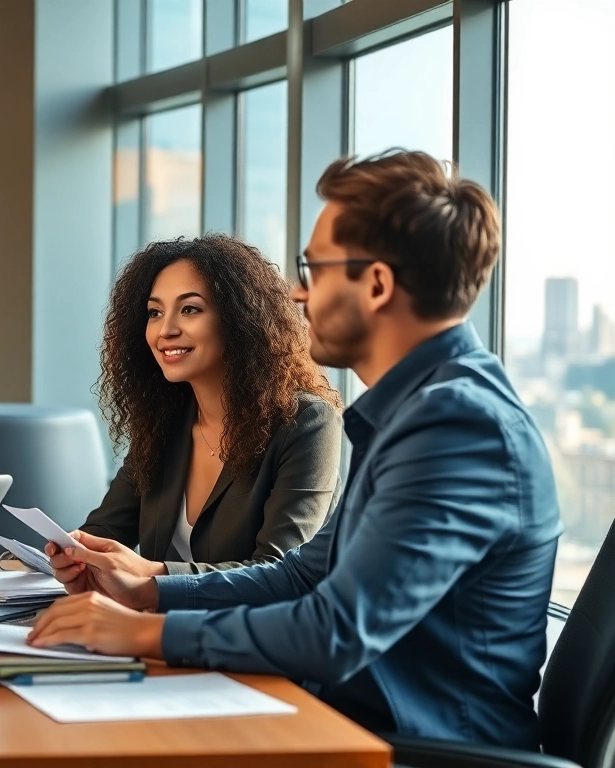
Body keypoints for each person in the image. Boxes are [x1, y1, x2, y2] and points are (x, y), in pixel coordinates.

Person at [30, 150, 561, 750]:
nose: (297, 293)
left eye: (315, 270)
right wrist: (149, 591)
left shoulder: (458, 428)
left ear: (377, 284)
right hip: (343, 725)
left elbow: (336, 631)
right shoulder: (417, 412)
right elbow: (303, 574)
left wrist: (144, 634)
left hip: (412, 749)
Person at [76, 235, 342, 574]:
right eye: (155, 312)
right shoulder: (165, 423)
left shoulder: (306, 422)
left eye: (190, 309)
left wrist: (152, 574)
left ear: (240, 320)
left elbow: (278, 572)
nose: (166, 330)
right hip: (155, 624)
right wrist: (60, 553)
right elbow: (105, 532)